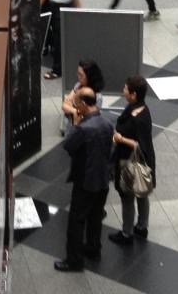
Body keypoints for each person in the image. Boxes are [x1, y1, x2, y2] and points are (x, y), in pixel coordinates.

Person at [54, 88, 115, 273]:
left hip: (86, 181)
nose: (74, 106)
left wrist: (75, 123)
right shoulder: (108, 123)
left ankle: (74, 260)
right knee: (95, 217)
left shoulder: (83, 128)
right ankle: (93, 248)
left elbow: (69, 145)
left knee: (76, 220)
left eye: (76, 103)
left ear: (82, 104)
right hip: (102, 179)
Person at [108, 75, 155, 245]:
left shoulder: (138, 118)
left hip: (131, 162)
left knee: (127, 197)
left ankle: (127, 233)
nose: (123, 90)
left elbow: (139, 145)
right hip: (141, 161)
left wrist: (120, 139)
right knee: (142, 194)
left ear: (133, 94)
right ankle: (142, 227)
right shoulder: (140, 108)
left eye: (126, 89)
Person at [39, 0, 80, 80]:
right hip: (52, 6)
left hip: (64, 8)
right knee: (51, 33)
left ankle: (57, 70)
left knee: (59, 40)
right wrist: (37, 6)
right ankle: (55, 54)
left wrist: (79, 13)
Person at [60, 59, 105, 127]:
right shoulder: (78, 85)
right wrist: (75, 111)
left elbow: (88, 118)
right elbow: (64, 105)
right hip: (71, 123)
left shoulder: (98, 97)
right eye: (78, 73)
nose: (78, 76)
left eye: (81, 75)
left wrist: (71, 106)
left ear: (90, 77)